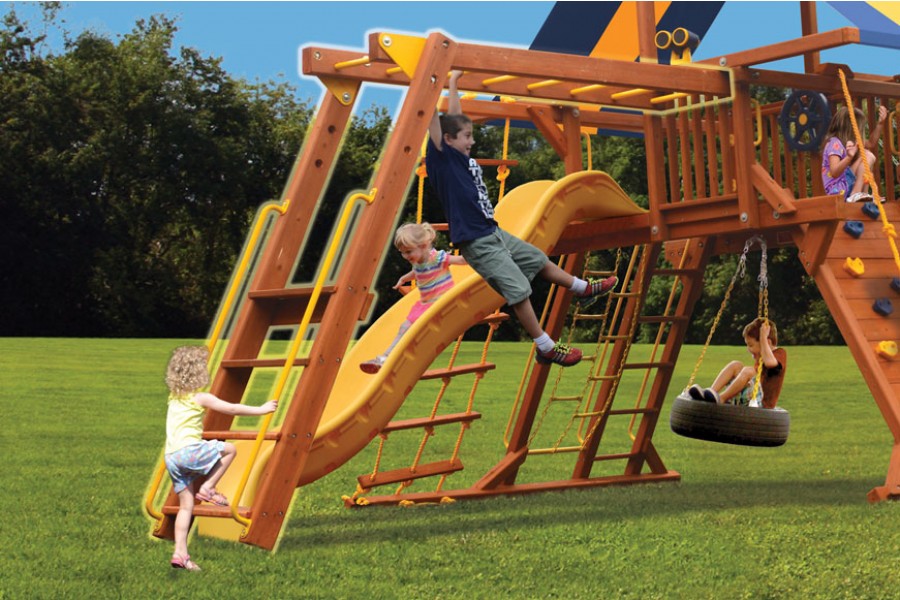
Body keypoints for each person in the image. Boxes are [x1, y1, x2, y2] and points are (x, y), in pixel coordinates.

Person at [425, 70, 618, 367]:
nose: (471, 142)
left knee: (537, 259)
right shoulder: (442, 159)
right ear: (447, 140)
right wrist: (430, 82)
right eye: (466, 137)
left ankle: (583, 289)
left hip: (493, 232)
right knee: (517, 289)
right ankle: (545, 345)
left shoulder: (459, 156)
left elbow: (453, 119)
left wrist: (452, 84)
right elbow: (433, 122)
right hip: (477, 242)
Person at [163, 345, 278, 571]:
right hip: (188, 451)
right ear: (199, 375)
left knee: (186, 507)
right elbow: (232, 409)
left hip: (172, 457)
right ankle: (208, 487)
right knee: (229, 450)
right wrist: (262, 409)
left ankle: (180, 554)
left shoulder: (173, 398)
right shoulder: (201, 398)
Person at [360, 222, 467, 373]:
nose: (405, 256)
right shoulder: (417, 261)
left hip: (442, 302)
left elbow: (461, 261)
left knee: (416, 331)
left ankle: (388, 358)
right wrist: (404, 278)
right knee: (404, 327)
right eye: (402, 252)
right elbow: (417, 272)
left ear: (423, 246)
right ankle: (385, 358)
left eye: (408, 251)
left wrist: (476, 255)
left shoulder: (437, 258)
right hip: (425, 304)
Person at [688, 317, 787, 408]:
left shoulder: (779, 353)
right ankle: (710, 393)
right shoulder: (761, 358)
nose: (748, 349)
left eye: (751, 345)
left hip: (761, 404)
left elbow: (770, 363)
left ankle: (721, 398)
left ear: (768, 343)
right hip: (749, 397)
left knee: (748, 371)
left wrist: (763, 338)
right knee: (736, 365)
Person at [821, 105, 888, 203]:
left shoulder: (851, 141)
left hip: (846, 185)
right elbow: (834, 172)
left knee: (868, 157)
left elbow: (871, 143)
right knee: (867, 155)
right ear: (852, 128)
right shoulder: (834, 143)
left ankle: (863, 194)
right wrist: (848, 157)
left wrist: (880, 124)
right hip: (838, 190)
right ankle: (855, 193)